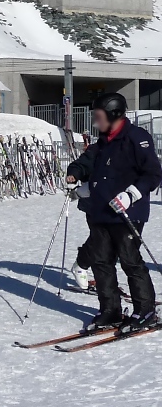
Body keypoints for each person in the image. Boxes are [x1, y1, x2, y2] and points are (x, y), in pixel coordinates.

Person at [66, 92, 162, 334]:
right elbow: (92, 169)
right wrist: (76, 177)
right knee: (101, 262)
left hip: (127, 213)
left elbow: (153, 174)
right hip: (100, 213)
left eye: (99, 117)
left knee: (130, 261)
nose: (96, 122)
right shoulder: (102, 143)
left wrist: (130, 195)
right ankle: (110, 310)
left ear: (114, 114)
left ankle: (145, 310)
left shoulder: (136, 139)